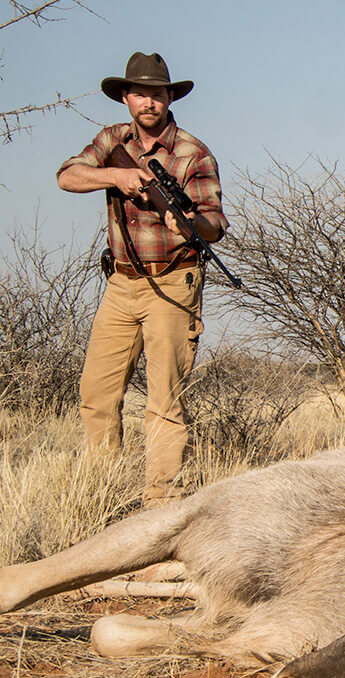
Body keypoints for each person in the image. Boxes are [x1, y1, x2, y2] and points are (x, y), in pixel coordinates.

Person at [57, 52, 228, 507]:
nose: (148, 102)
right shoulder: (112, 139)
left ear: (170, 97)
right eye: (140, 93)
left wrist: (189, 224)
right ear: (126, 98)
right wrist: (116, 175)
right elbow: (67, 176)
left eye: (157, 93)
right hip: (121, 283)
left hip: (174, 281)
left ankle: (161, 506)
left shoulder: (194, 152)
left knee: (164, 400)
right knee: (96, 392)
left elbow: (215, 223)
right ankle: (102, 494)